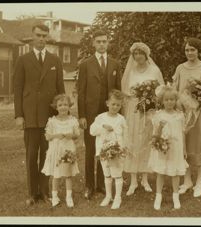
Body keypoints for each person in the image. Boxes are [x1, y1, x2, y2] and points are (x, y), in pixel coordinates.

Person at [13, 23, 65, 206]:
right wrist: (19, 115)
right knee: (31, 155)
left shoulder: (55, 60)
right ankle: (31, 193)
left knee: (47, 155)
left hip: (50, 117)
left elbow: (61, 91)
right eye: (38, 35)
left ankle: (44, 191)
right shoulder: (23, 59)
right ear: (32, 37)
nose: (41, 39)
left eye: (44, 36)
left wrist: (62, 115)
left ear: (47, 38)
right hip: (30, 116)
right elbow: (17, 89)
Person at [77, 29, 122, 200]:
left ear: (108, 43)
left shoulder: (115, 64)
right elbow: (80, 92)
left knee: (107, 147)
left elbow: (117, 91)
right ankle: (89, 185)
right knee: (90, 150)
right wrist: (82, 115)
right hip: (90, 114)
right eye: (99, 41)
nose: (102, 44)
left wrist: (119, 116)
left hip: (109, 113)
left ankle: (102, 184)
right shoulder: (85, 64)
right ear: (93, 43)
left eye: (104, 41)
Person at [172, 37, 201, 197]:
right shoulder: (180, 68)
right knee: (185, 145)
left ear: (198, 51)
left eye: (193, 50)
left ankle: (199, 182)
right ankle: (187, 180)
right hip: (184, 113)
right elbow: (175, 90)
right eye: (187, 50)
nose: (189, 53)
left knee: (200, 144)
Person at [121, 42, 164, 196]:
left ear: (146, 55)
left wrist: (150, 98)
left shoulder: (154, 70)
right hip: (133, 109)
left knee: (146, 141)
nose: (138, 56)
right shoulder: (130, 71)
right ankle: (133, 180)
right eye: (135, 54)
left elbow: (160, 90)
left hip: (149, 110)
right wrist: (135, 96)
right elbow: (125, 91)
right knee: (133, 141)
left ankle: (145, 178)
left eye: (141, 53)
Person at [148, 85, 190, 210]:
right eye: (166, 100)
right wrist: (160, 127)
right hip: (163, 147)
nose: (169, 102)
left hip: (176, 148)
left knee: (175, 172)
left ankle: (175, 196)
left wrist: (184, 149)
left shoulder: (180, 115)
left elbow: (182, 133)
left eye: (172, 99)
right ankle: (158, 196)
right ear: (162, 101)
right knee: (161, 172)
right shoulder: (159, 115)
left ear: (176, 100)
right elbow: (155, 134)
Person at [90, 90, 128, 209]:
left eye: (118, 105)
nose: (115, 107)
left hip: (116, 151)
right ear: (107, 103)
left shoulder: (121, 119)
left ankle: (118, 197)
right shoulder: (100, 118)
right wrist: (103, 127)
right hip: (104, 151)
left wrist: (123, 148)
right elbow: (92, 131)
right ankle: (108, 196)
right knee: (107, 174)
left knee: (117, 174)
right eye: (113, 104)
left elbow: (125, 134)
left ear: (121, 105)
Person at [41, 94, 80, 208]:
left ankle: (69, 197)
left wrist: (70, 135)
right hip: (56, 151)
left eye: (65, 105)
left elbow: (77, 134)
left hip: (68, 150)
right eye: (60, 105)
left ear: (69, 106)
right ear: (56, 107)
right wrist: (56, 135)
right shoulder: (52, 121)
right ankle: (55, 196)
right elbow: (47, 136)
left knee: (68, 174)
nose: (63, 107)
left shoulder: (72, 120)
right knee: (56, 175)